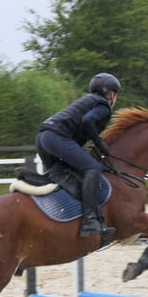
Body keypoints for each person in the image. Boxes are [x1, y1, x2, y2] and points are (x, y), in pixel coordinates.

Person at [36, 73, 120, 238]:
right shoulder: (103, 106)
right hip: (56, 137)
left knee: (64, 175)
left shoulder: (86, 101)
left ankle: (65, 217)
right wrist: (99, 142)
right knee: (93, 168)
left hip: (43, 138)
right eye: (115, 94)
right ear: (111, 94)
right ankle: (89, 221)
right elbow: (88, 121)